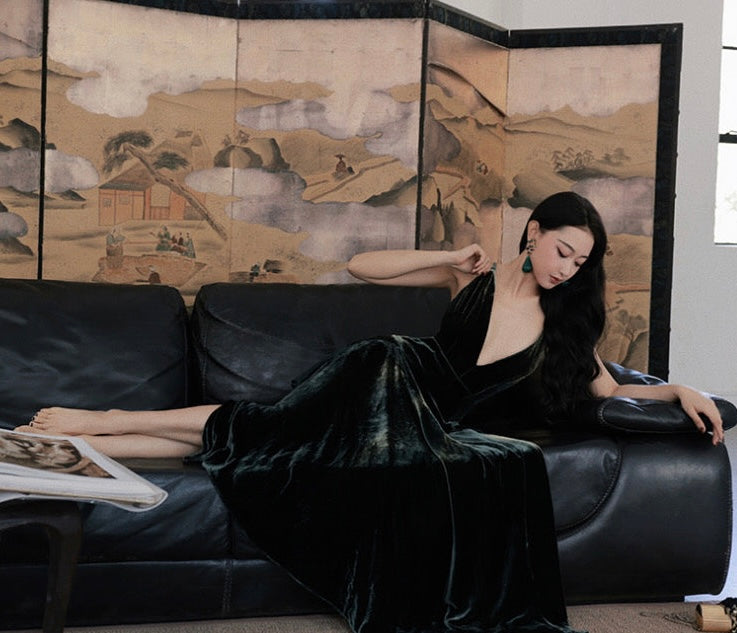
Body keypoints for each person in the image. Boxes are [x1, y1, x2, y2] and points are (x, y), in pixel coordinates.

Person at [17, 191, 723, 633]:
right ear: (533, 231)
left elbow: (606, 391)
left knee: (258, 436)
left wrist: (676, 390)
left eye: (580, 262)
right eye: (562, 250)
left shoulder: (566, 321)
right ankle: (99, 420)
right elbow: (361, 265)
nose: (566, 268)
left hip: (427, 422)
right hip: (386, 373)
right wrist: (449, 254)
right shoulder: (472, 274)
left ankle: (98, 428)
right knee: (267, 428)